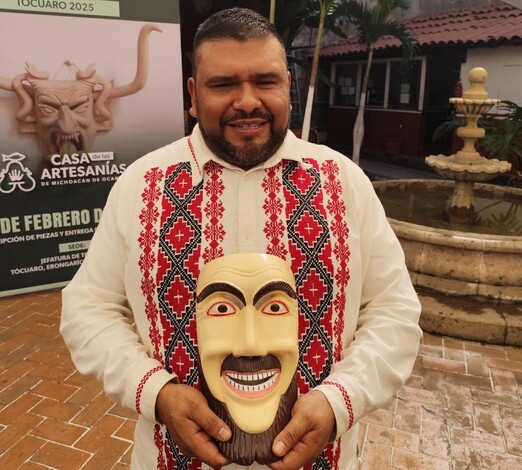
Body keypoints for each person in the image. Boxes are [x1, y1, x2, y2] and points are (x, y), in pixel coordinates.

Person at [60, 7, 422, 470]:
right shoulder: (141, 184)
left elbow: (394, 309)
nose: (247, 100)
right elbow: (88, 308)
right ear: (193, 94)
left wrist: (340, 400)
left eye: (265, 81)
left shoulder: (343, 182)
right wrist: (155, 392)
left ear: (287, 86)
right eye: (224, 84)